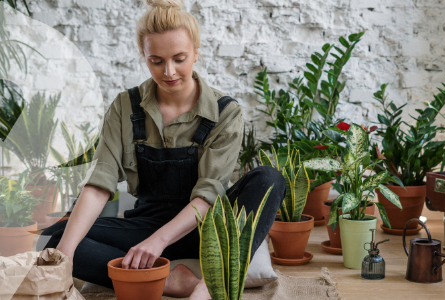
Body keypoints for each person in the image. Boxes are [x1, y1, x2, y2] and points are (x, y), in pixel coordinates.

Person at [36, 0, 285, 299]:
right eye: (156, 61)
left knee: (270, 179)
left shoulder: (224, 112)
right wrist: (64, 255)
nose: (169, 72)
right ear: (143, 56)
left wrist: (156, 243)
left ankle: (213, 281)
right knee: (55, 239)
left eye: (179, 58)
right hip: (147, 222)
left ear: (196, 53)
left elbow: (209, 194)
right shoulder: (124, 107)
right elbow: (99, 184)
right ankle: (169, 281)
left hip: (210, 229)